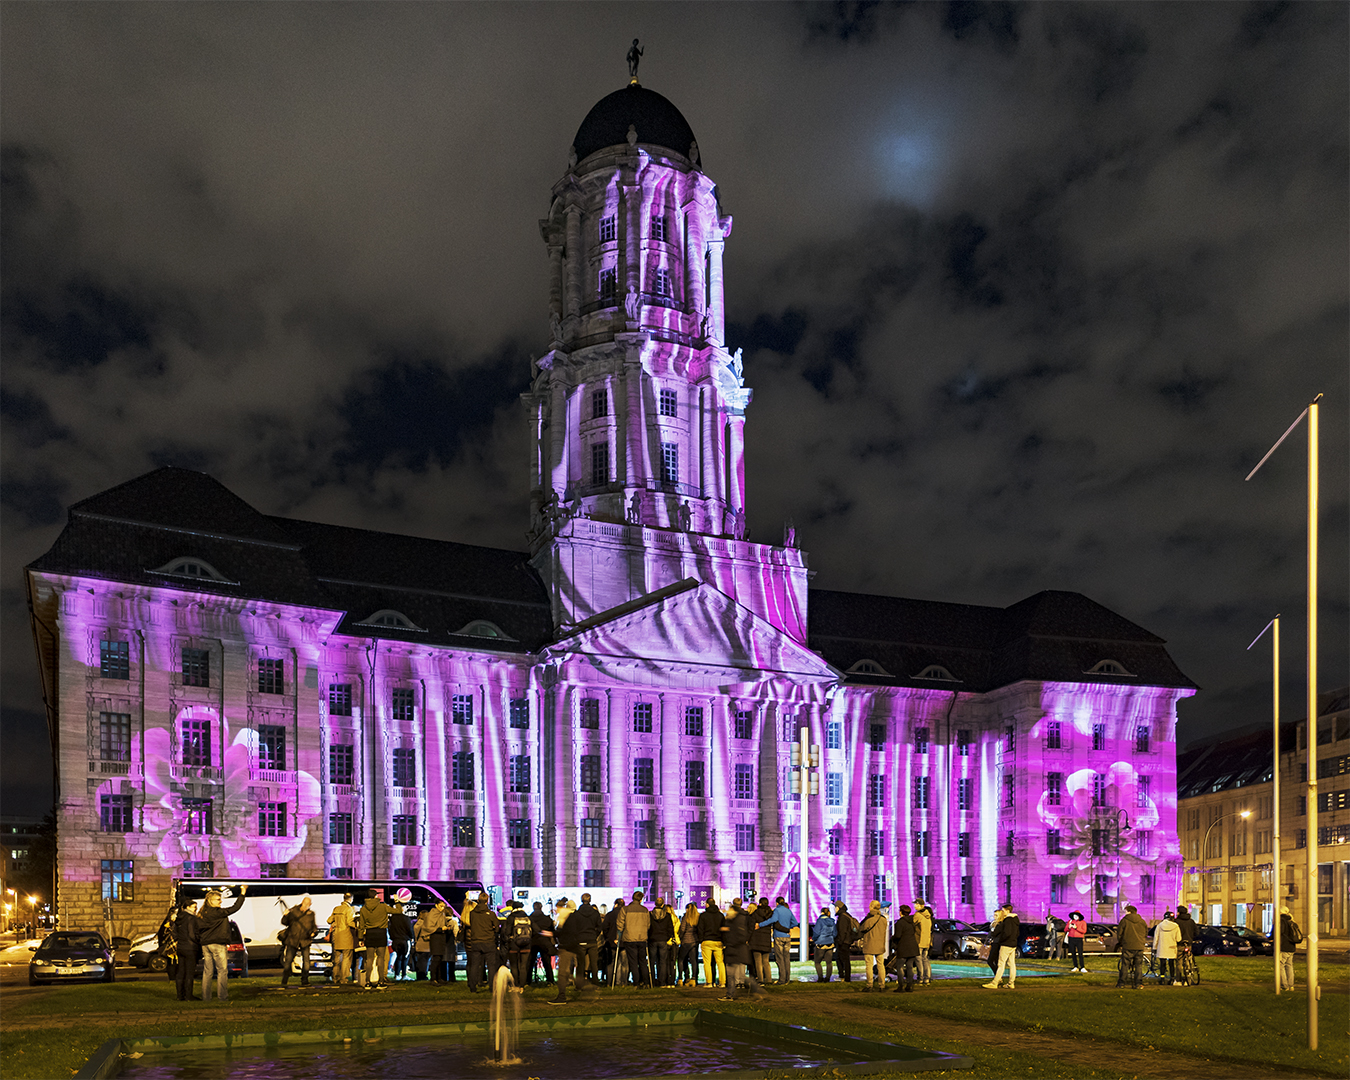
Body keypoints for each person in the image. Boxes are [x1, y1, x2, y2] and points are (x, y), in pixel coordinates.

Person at [199, 885, 248, 1002]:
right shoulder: (217, 912)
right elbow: (235, 908)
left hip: (206, 944)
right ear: (211, 901)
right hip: (217, 944)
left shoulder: (203, 912)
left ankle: (206, 997)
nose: (221, 901)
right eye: (218, 899)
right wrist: (243, 892)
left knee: (208, 971)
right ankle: (222, 997)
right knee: (222, 971)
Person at [720, 898, 764, 1001]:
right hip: (738, 948)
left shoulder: (736, 919)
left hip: (734, 949)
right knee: (738, 974)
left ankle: (731, 995)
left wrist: (727, 932)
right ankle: (755, 990)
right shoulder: (744, 917)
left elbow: (738, 934)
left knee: (732, 974)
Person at [758, 896, 799, 984]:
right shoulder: (788, 911)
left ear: (777, 903)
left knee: (779, 959)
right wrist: (788, 928)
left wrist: (760, 924)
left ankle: (782, 979)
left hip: (778, 937)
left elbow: (773, 919)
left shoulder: (777, 910)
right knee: (786, 959)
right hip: (787, 937)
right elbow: (795, 923)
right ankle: (787, 979)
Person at [465, 892, 501, 992]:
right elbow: (497, 928)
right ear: (487, 901)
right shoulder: (491, 914)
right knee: (491, 966)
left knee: (475, 965)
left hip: (476, 941)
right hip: (488, 942)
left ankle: (472, 987)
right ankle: (492, 987)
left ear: (478, 900)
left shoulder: (472, 914)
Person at [279, 895, 317, 988]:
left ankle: (305, 980)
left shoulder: (311, 914)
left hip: (305, 940)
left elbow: (314, 927)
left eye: (308, 904)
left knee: (306, 962)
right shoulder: (293, 911)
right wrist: (285, 915)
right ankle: (285, 980)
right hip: (293, 940)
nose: (307, 905)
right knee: (288, 961)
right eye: (305, 903)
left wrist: (314, 932)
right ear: (302, 902)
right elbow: (284, 922)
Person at [617, 890, 652, 987]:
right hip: (642, 938)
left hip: (630, 938)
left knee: (633, 962)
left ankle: (636, 982)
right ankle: (645, 982)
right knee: (643, 961)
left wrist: (621, 932)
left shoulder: (625, 909)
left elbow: (620, 924)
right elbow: (648, 925)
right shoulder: (645, 910)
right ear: (641, 899)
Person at [983, 902, 1020, 989]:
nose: (1002, 912)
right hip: (1013, 944)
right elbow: (1017, 932)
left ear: (1007, 911)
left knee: (1001, 963)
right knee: (1012, 964)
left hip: (1006, 944)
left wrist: (1002, 940)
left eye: (1003, 910)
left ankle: (995, 982)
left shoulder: (1007, 920)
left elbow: (1006, 933)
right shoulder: (1015, 919)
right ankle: (1011, 983)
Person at [570, 893, 604, 985]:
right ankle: (595, 982)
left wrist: (577, 937)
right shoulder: (595, 913)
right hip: (592, 940)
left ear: (582, 900)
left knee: (581, 964)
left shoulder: (577, 914)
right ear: (590, 900)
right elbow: (599, 927)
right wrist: (594, 935)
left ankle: (579, 983)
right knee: (594, 964)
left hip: (581, 941)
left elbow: (573, 928)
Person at [856, 900, 888, 991]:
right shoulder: (883, 919)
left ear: (871, 907)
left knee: (869, 966)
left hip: (869, 944)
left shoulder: (869, 919)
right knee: (881, 965)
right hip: (880, 944)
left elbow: (861, 929)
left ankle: (870, 985)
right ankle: (882, 985)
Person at [172, 901, 200, 1002]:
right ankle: (189, 996)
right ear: (188, 907)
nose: (196, 909)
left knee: (181, 973)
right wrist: (198, 941)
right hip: (190, 948)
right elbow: (192, 934)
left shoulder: (179, 917)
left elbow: (174, 932)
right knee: (189, 973)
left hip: (181, 947)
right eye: (194, 907)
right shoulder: (191, 918)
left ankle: (180, 996)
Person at [1116, 904, 1148, 989]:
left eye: (1126, 911)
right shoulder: (1142, 921)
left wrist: (1121, 943)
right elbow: (1145, 933)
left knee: (1125, 965)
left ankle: (1121, 983)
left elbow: (1119, 933)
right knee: (1138, 965)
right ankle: (1138, 983)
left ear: (1129, 912)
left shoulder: (1124, 921)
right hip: (1139, 946)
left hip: (1128, 946)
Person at [697, 897, 726, 988]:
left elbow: (700, 929)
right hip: (718, 941)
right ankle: (722, 982)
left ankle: (709, 982)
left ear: (707, 904)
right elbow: (723, 929)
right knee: (720, 963)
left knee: (707, 963)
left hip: (707, 940)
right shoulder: (720, 915)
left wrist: (701, 939)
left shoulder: (703, 916)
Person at [890, 904, 920, 992]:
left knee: (900, 967)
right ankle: (909, 985)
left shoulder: (900, 923)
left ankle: (901, 986)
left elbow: (898, 936)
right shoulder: (912, 922)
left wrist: (893, 938)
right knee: (910, 967)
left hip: (903, 947)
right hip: (912, 946)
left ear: (901, 912)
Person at [387, 889, 414, 981]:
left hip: (395, 940)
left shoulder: (392, 918)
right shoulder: (406, 918)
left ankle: (397, 974)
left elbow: (390, 929)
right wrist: (411, 938)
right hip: (405, 940)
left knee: (398, 957)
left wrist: (392, 937)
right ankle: (404, 975)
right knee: (405, 958)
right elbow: (409, 929)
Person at [506, 901, 534, 988]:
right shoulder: (527, 917)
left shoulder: (511, 917)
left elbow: (507, 931)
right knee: (523, 966)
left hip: (514, 945)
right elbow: (535, 929)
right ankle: (522, 985)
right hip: (526, 944)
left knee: (514, 965)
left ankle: (515, 984)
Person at [648, 897, 676, 986]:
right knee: (663, 962)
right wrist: (666, 937)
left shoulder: (650, 914)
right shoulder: (667, 916)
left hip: (652, 940)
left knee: (652, 961)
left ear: (655, 904)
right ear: (663, 904)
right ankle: (662, 981)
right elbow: (670, 929)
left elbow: (648, 927)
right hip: (663, 940)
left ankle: (652, 980)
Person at [529, 901, 556, 986]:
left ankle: (528, 981)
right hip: (544, 942)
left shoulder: (530, 918)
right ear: (541, 908)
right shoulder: (547, 919)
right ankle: (550, 980)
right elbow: (552, 930)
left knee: (530, 962)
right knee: (546, 962)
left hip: (532, 942)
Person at [748, 898, 774, 986]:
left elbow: (751, 927)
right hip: (766, 939)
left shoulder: (755, 914)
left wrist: (748, 939)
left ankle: (760, 980)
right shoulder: (770, 914)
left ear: (759, 904)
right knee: (766, 961)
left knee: (758, 962)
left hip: (756, 940)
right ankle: (769, 979)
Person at [1153, 910, 1181, 985]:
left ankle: (1162, 978)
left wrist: (1154, 948)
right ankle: (1172, 978)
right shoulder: (1176, 926)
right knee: (1171, 964)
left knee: (1162, 963)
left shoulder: (1159, 926)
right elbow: (1178, 939)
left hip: (1162, 947)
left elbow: (1156, 938)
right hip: (1172, 947)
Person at [1278, 905, 1302, 990]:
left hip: (1283, 947)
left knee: (1280, 966)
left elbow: (1277, 932)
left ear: (1280, 912)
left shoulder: (1281, 921)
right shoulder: (1291, 920)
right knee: (1289, 966)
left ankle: (1284, 986)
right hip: (1291, 947)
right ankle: (1291, 985)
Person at [678, 902, 701, 986]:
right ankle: (694, 978)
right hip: (694, 941)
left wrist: (680, 937)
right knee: (694, 961)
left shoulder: (685, 917)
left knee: (681, 960)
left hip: (686, 941)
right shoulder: (698, 917)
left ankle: (681, 978)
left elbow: (683, 929)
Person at [833, 901, 857, 983]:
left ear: (838, 908)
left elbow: (842, 931)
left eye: (835, 907)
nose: (834, 909)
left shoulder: (842, 917)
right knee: (844, 959)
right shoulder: (847, 915)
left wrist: (839, 941)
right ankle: (845, 976)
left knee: (842, 959)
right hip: (846, 941)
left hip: (843, 942)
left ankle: (845, 977)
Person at [811, 906, 836, 982]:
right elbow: (835, 933)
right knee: (829, 962)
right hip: (830, 944)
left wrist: (814, 939)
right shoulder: (832, 921)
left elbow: (816, 932)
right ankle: (827, 978)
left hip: (820, 944)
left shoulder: (819, 921)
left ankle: (820, 978)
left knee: (817, 962)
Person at [913, 899, 934, 985]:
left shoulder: (918, 915)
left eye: (916, 904)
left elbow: (912, 924)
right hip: (927, 941)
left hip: (919, 940)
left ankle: (920, 978)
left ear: (920, 905)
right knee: (925, 959)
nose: (914, 906)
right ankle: (927, 978)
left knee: (919, 960)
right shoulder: (928, 916)